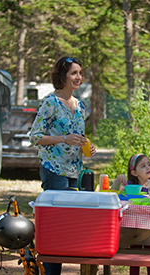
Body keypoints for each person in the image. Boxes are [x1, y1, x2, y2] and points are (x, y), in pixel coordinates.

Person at [29, 56, 96, 275]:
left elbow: (78, 137)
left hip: (74, 170)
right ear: (62, 76)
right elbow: (35, 137)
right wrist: (63, 139)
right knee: (55, 224)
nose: (78, 77)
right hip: (54, 169)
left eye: (80, 73)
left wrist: (88, 146)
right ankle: (50, 271)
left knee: (69, 223)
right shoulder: (50, 102)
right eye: (73, 73)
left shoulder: (80, 105)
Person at [116, 154, 150, 275]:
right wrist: (118, 180)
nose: (148, 168)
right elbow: (115, 193)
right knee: (134, 258)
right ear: (134, 172)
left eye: (149, 164)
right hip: (134, 227)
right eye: (143, 166)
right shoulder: (129, 186)